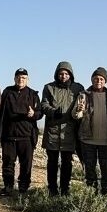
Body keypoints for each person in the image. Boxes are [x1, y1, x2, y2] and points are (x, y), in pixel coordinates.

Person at [0, 68, 42, 196]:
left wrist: (33, 114)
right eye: (19, 77)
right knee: (8, 163)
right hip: (9, 135)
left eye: (24, 77)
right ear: (14, 79)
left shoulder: (33, 94)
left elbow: (40, 113)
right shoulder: (7, 92)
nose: (21, 79)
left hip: (26, 136)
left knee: (26, 164)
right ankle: (8, 187)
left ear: (27, 79)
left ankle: (23, 189)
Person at [39, 61, 84, 197]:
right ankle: (52, 189)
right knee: (52, 162)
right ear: (57, 74)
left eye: (66, 73)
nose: (63, 76)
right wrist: (53, 112)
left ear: (70, 74)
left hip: (69, 132)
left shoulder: (77, 88)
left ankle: (65, 190)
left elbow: (82, 103)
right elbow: (44, 104)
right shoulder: (49, 87)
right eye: (60, 73)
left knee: (66, 162)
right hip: (52, 131)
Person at [76, 67, 107, 196]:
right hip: (88, 140)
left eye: (101, 79)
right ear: (92, 80)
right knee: (89, 170)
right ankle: (91, 197)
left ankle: (106, 197)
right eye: (95, 78)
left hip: (106, 141)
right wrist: (79, 110)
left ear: (105, 81)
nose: (98, 81)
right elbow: (76, 115)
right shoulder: (84, 95)